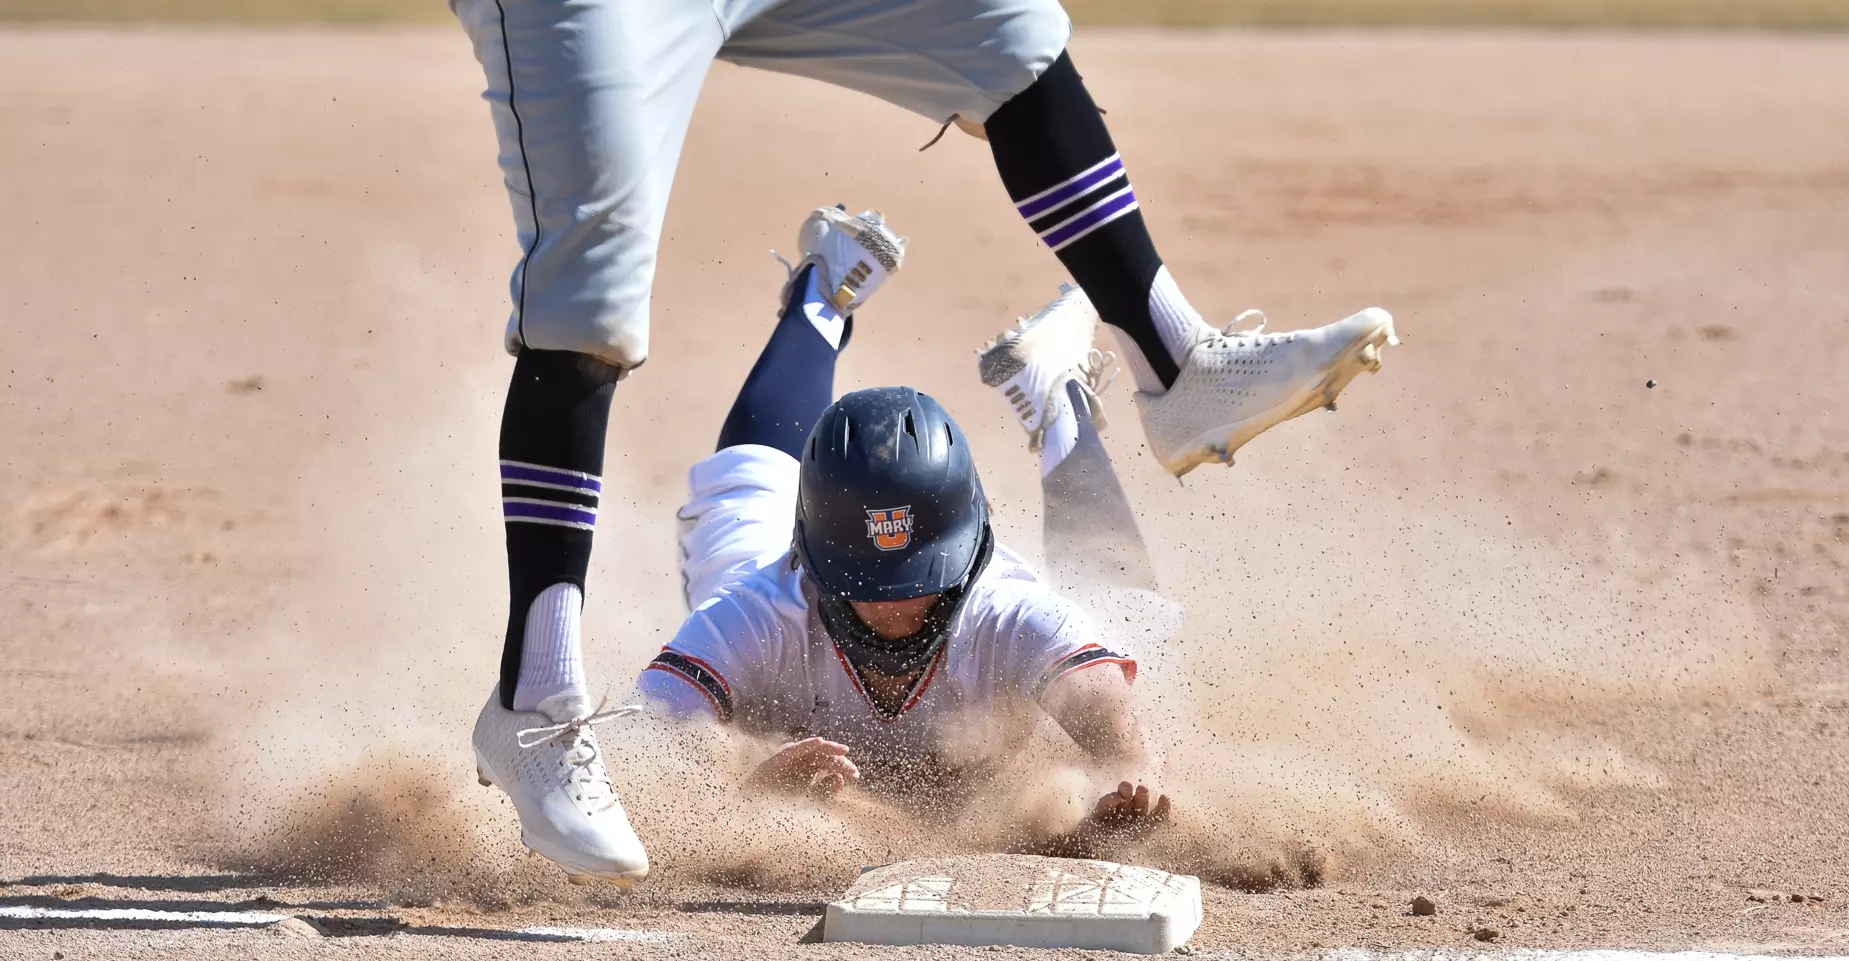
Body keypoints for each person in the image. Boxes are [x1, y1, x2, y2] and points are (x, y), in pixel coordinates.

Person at [454, 0, 1400, 885]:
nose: (901, 613)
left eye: (919, 587)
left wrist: (1128, 782)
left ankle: (1103, 379)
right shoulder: (759, 608)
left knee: (1010, 33)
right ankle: (823, 297)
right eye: (873, 587)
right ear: (814, 566)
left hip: (988, 620)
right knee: (727, 473)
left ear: (967, 560)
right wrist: (743, 787)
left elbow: (1111, 710)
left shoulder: (1005, 610)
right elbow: (663, 744)